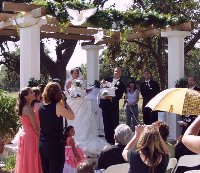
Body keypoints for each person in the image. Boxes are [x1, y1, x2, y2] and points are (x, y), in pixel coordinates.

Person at [66, 68, 108, 156]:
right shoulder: (69, 82)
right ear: (71, 74)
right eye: (74, 73)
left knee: (83, 120)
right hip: (73, 104)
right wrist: (77, 95)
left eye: (77, 73)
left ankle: (84, 136)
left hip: (81, 104)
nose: (76, 74)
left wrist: (85, 91)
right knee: (73, 120)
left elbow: (84, 91)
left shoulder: (81, 81)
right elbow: (69, 94)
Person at [39, 82, 75, 173]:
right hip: (55, 145)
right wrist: (65, 102)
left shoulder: (41, 107)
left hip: (43, 144)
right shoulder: (57, 107)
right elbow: (72, 116)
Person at [14, 87, 43, 173]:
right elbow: (36, 127)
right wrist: (42, 138)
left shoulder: (24, 107)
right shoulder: (28, 108)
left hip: (25, 136)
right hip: (31, 137)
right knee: (32, 160)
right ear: (26, 97)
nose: (34, 93)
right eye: (31, 92)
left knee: (26, 160)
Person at [99, 67, 126, 144]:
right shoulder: (107, 79)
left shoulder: (122, 84)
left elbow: (118, 96)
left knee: (114, 124)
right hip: (105, 105)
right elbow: (101, 85)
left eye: (118, 72)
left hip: (113, 106)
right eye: (115, 71)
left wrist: (110, 97)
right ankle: (107, 141)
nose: (116, 73)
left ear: (121, 73)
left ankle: (115, 141)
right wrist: (102, 82)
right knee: (106, 123)